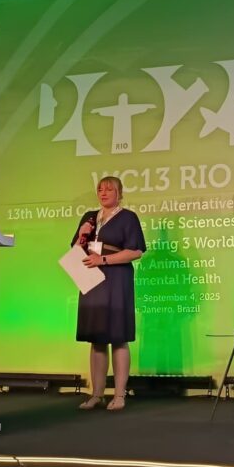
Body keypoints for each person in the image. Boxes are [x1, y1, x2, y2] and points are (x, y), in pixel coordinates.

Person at [71, 176, 146, 411]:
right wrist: (82, 234)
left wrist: (103, 259)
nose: (103, 193)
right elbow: (75, 250)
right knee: (97, 339)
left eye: (109, 189)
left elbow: (136, 251)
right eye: (100, 189)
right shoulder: (89, 217)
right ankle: (97, 394)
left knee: (118, 336)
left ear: (119, 193)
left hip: (116, 278)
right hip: (91, 279)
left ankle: (120, 395)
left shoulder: (128, 217)